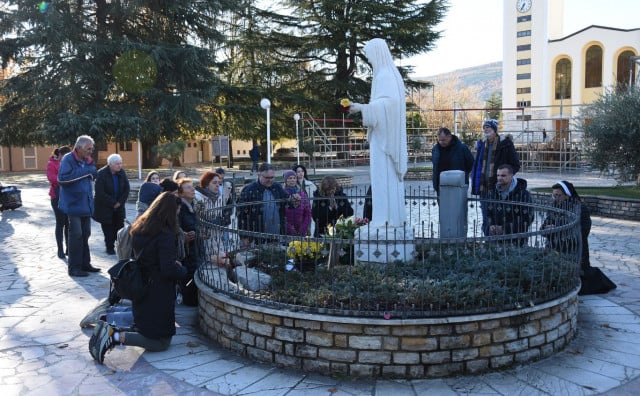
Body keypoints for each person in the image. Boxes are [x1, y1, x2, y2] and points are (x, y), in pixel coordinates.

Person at [88, 192, 188, 364]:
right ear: (170, 212)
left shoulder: (141, 226)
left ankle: (111, 330)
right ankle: (115, 336)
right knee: (161, 343)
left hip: (141, 285)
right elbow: (167, 268)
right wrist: (182, 270)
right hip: (158, 291)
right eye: (177, 211)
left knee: (147, 328)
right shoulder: (165, 233)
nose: (178, 215)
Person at [348, 38, 407, 229]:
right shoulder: (389, 74)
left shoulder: (385, 75)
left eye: (370, 54)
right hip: (382, 136)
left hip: (384, 140)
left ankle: (386, 220)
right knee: (381, 179)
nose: (369, 58)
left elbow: (390, 105)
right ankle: (386, 217)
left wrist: (362, 108)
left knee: (384, 178)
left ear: (378, 52)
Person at [541, 180, 616, 295]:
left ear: (567, 195)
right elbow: (543, 228)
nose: (555, 198)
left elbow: (582, 231)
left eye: (558, 195)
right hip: (554, 247)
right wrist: (548, 229)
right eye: (554, 195)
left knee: (581, 278)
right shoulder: (554, 207)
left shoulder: (580, 209)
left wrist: (557, 228)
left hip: (574, 249)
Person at [58, 135, 100, 277]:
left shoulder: (87, 160)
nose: (91, 151)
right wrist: (87, 171)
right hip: (73, 204)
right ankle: (74, 268)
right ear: (79, 148)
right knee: (76, 235)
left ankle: (85, 264)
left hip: (86, 203)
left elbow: (93, 174)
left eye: (92, 149)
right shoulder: (68, 159)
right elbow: (62, 179)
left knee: (86, 234)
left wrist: (92, 173)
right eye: (88, 149)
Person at [471, 119, 520, 234]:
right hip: (484, 188)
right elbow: (477, 165)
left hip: (499, 188)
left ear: (495, 130)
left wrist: (506, 177)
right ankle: (488, 242)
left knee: (499, 217)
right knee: (486, 217)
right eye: (484, 128)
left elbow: (515, 164)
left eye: (489, 127)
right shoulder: (482, 145)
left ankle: (500, 243)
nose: (486, 130)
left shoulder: (505, 144)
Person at [237, 163, 288, 244]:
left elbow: (287, 203)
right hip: (257, 236)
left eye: (272, 177)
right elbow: (241, 215)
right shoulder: (249, 190)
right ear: (259, 175)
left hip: (277, 234)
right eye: (267, 177)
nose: (270, 180)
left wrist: (294, 200)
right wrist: (244, 236)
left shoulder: (277, 187)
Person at [485, 164, 534, 245]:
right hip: (496, 239)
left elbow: (528, 218)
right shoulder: (492, 193)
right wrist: (491, 225)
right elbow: (488, 212)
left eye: (503, 175)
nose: (500, 178)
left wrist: (505, 228)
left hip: (517, 240)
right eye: (498, 175)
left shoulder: (523, 194)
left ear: (511, 176)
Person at [93, 154, 131, 255]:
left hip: (119, 206)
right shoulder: (101, 174)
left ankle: (120, 246)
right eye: (117, 164)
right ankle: (109, 247)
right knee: (108, 228)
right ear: (110, 164)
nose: (119, 166)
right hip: (105, 207)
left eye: (120, 163)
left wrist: (119, 202)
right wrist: (113, 203)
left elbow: (127, 188)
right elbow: (99, 192)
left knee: (119, 226)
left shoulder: (121, 173)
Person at [176, 178, 201, 306]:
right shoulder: (180, 209)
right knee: (188, 276)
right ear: (181, 193)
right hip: (186, 252)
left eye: (192, 186)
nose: (192, 189)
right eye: (188, 187)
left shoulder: (194, 206)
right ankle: (187, 299)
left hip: (196, 248)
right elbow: (177, 228)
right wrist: (184, 236)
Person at [431, 127, 474, 196]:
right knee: (443, 207)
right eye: (439, 140)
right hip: (441, 187)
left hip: (458, 186)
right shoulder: (436, 149)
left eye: (443, 140)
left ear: (449, 137)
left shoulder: (462, 148)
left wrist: (463, 174)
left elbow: (471, 163)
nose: (441, 142)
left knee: (458, 206)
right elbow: (435, 167)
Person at [47, 146, 71, 259]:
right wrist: (64, 179)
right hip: (56, 196)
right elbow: (52, 178)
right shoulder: (52, 163)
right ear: (60, 155)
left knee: (68, 223)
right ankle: (60, 249)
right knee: (60, 222)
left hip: (68, 196)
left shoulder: (70, 163)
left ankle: (68, 248)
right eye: (65, 156)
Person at [283, 170, 311, 237]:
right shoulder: (283, 194)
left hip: (302, 230)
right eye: (290, 178)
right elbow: (281, 214)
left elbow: (308, 212)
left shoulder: (302, 194)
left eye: (294, 178)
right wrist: (289, 228)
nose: (292, 180)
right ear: (286, 180)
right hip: (286, 231)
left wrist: (304, 228)